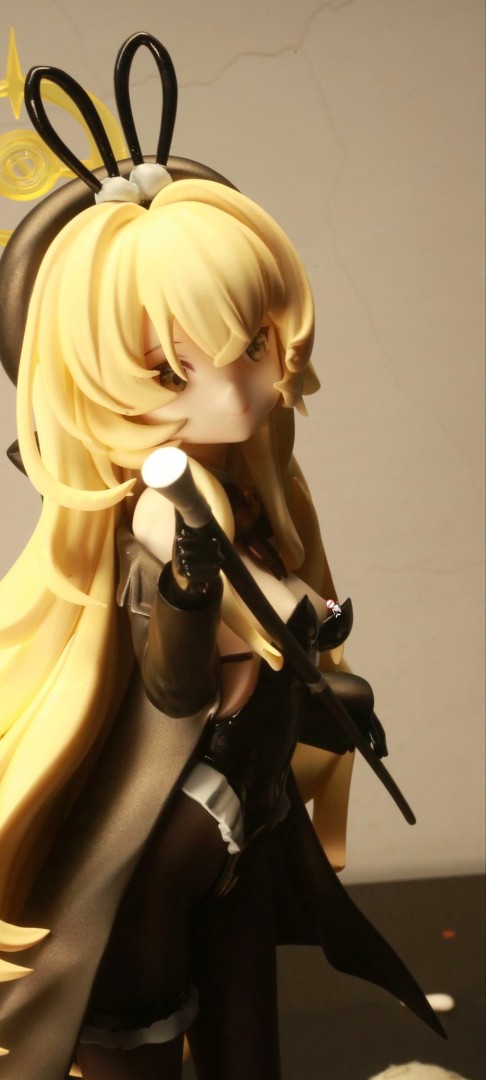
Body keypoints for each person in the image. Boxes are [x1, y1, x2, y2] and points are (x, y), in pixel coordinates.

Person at [0, 35, 442, 1080]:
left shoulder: (245, 489)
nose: (237, 389)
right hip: (171, 822)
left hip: (248, 798)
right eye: (171, 368)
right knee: (141, 1008)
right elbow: (175, 681)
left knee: (246, 1012)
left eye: (250, 345)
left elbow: (279, 624)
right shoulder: (156, 519)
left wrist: (325, 661)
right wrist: (194, 587)